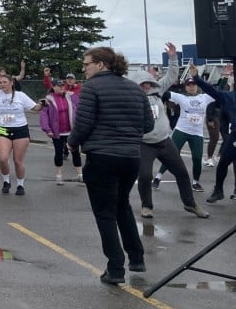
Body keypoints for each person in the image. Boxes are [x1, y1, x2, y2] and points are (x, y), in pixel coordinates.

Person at [67, 47, 153, 284]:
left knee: (105, 213)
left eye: (87, 64)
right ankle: (136, 257)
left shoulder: (92, 88)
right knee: (122, 205)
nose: (84, 69)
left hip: (102, 156)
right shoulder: (136, 89)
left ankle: (115, 268)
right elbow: (148, 125)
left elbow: (83, 123)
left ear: (101, 65)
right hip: (131, 158)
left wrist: (72, 143)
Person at [130, 43, 206, 218]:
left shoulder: (158, 91)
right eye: (142, 84)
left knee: (181, 172)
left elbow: (172, 75)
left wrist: (173, 57)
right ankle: (146, 206)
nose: (146, 86)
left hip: (164, 140)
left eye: (148, 83)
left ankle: (190, 204)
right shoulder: (131, 97)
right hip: (144, 144)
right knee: (145, 175)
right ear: (136, 84)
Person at [0, 58, 45, 196]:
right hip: (3, 129)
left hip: (20, 130)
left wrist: (42, 105)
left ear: (12, 83)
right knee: (3, 158)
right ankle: (6, 181)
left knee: (18, 161)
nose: (2, 85)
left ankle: (20, 185)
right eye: (0, 83)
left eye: (5, 82)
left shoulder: (20, 96)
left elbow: (34, 107)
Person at [153, 74, 213, 193]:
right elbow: (164, 93)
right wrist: (156, 83)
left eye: (193, 85)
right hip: (181, 130)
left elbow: (217, 92)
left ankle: (195, 182)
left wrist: (225, 78)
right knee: (171, 155)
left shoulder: (204, 98)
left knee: (197, 158)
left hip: (197, 133)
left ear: (197, 86)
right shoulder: (181, 97)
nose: (191, 87)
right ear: (185, 87)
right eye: (189, 85)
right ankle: (158, 177)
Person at [193, 63, 236, 204]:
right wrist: (197, 78)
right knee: (223, 163)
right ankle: (218, 191)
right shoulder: (229, 97)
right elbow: (212, 91)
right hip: (235, 136)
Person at [39, 79, 83, 185]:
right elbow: (44, 115)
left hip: (71, 131)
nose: (62, 87)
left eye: (63, 85)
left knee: (75, 152)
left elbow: (81, 108)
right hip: (57, 132)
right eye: (59, 86)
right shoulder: (48, 100)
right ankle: (59, 176)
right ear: (53, 87)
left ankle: (80, 174)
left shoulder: (71, 96)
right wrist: (47, 129)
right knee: (58, 153)